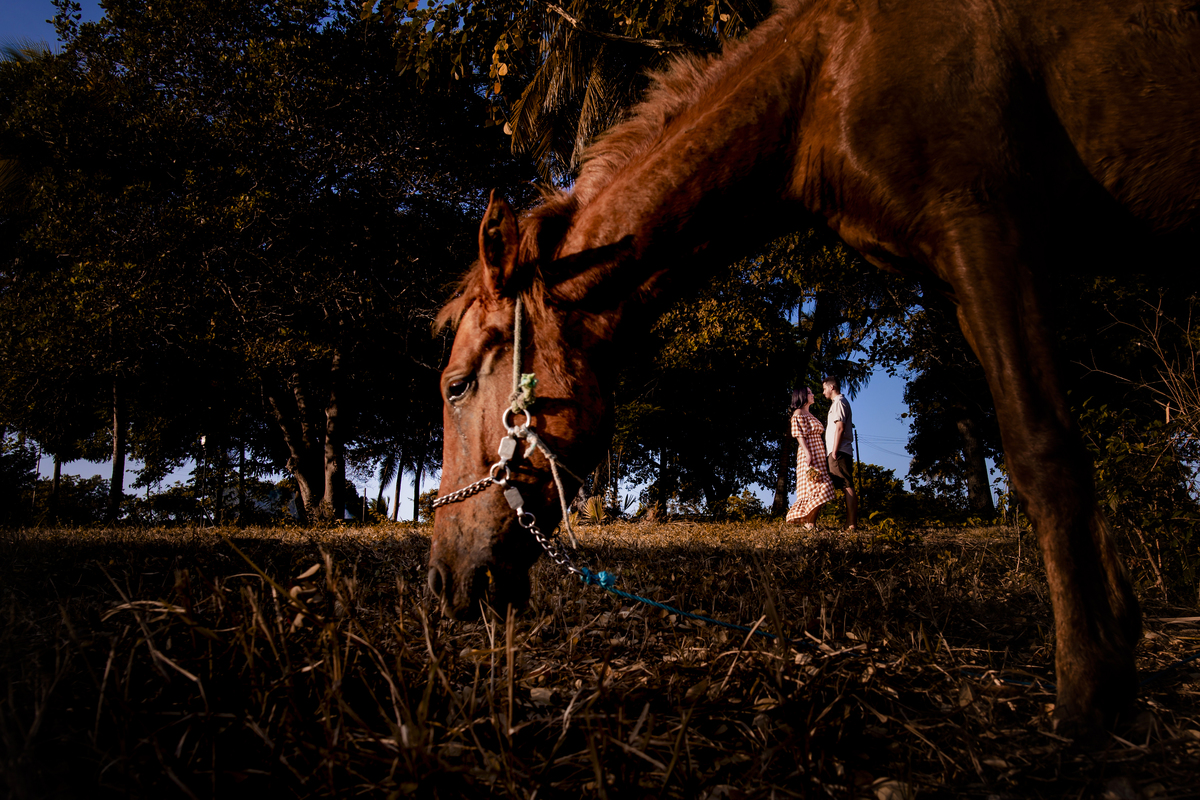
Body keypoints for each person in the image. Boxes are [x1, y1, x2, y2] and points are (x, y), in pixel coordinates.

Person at [785, 387, 836, 529]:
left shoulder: (809, 414)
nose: (812, 394)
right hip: (810, 453)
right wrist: (808, 453)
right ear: (801, 396)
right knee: (816, 488)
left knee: (821, 488)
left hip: (818, 454)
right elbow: (799, 435)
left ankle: (810, 523)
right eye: (809, 393)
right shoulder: (798, 413)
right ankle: (810, 524)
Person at [822, 376, 858, 531]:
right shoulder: (838, 403)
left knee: (846, 484)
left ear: (831, 387)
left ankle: (851, 523)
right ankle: (849, 522)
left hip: (839, 451)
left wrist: (834, 451)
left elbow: (840, 428)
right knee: (844, 485)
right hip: (839, 450)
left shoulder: (839, 403)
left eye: (824, 389)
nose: (823, 393)